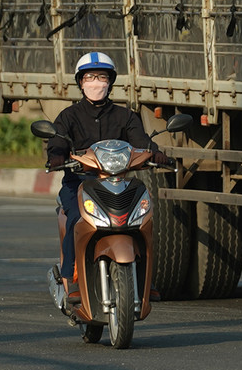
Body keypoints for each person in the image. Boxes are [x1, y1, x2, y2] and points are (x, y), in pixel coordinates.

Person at [46, 52, 170, 299]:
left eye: (102, 77)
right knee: (74, 218)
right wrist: (57, 156)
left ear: (110, 82)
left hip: (118, 182)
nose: (96, 83)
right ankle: (71, 278)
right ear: (81, 82)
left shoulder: (124, 116)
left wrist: (156, 155)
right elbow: (57, 141)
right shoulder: (68, 116)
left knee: (143, 219)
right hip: (79, 182)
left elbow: (141, 142)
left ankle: (146, 278)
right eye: (90, 77)